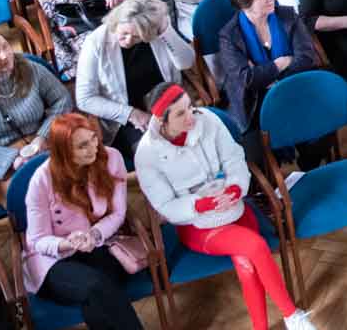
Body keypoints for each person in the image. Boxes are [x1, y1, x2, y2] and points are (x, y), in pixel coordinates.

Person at [135, 84, 319, 330]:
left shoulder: (208, 120)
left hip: (234, 207)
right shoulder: (146, 154)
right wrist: (202, 204)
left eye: (190, 107)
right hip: (197, 225)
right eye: (180, 114)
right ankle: (291, 315)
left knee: (248, 267)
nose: (191, 116)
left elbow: (234, 158)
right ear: (161, 122)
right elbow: (164, 206)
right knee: (255, 246)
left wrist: (235, 189)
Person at [18, 112, 145, 330]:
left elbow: (117, 213)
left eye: (94, 138)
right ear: (64, 152)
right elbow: (37, 240)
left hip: (95, 243)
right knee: (98, 286)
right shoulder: (41, 180)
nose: (94, 147)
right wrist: (68, 243)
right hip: (51, 259)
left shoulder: (112, 158)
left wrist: (94, 235)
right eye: (83, 145)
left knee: (100, 292)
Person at [75, 0, 194, 163]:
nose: (129, 41)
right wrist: (131, 114)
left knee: (197, 142)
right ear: (115, 23)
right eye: (124, 34)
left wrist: (167, 31)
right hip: (127, 118)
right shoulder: (95, 42)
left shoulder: (155, 32)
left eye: (137, 37)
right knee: (160, 157)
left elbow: (186, 63)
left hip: (169, 104)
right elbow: (84, 99)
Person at [214, 0, 320, 139]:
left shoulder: (287, 16)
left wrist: (269, 76)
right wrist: (281, 63)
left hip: (292, 86)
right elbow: (247, 79)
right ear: (245, 2)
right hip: (255, 100)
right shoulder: (229, 35)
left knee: (317, 134)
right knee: (260, 149)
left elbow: (307, 58)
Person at [0, 30, 70, 182]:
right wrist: (10, 159)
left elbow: (62, 99)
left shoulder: (30, 68)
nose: (5, 55)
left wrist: (43, 135)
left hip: (41, 143)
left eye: (6, 47)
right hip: (0, 158)